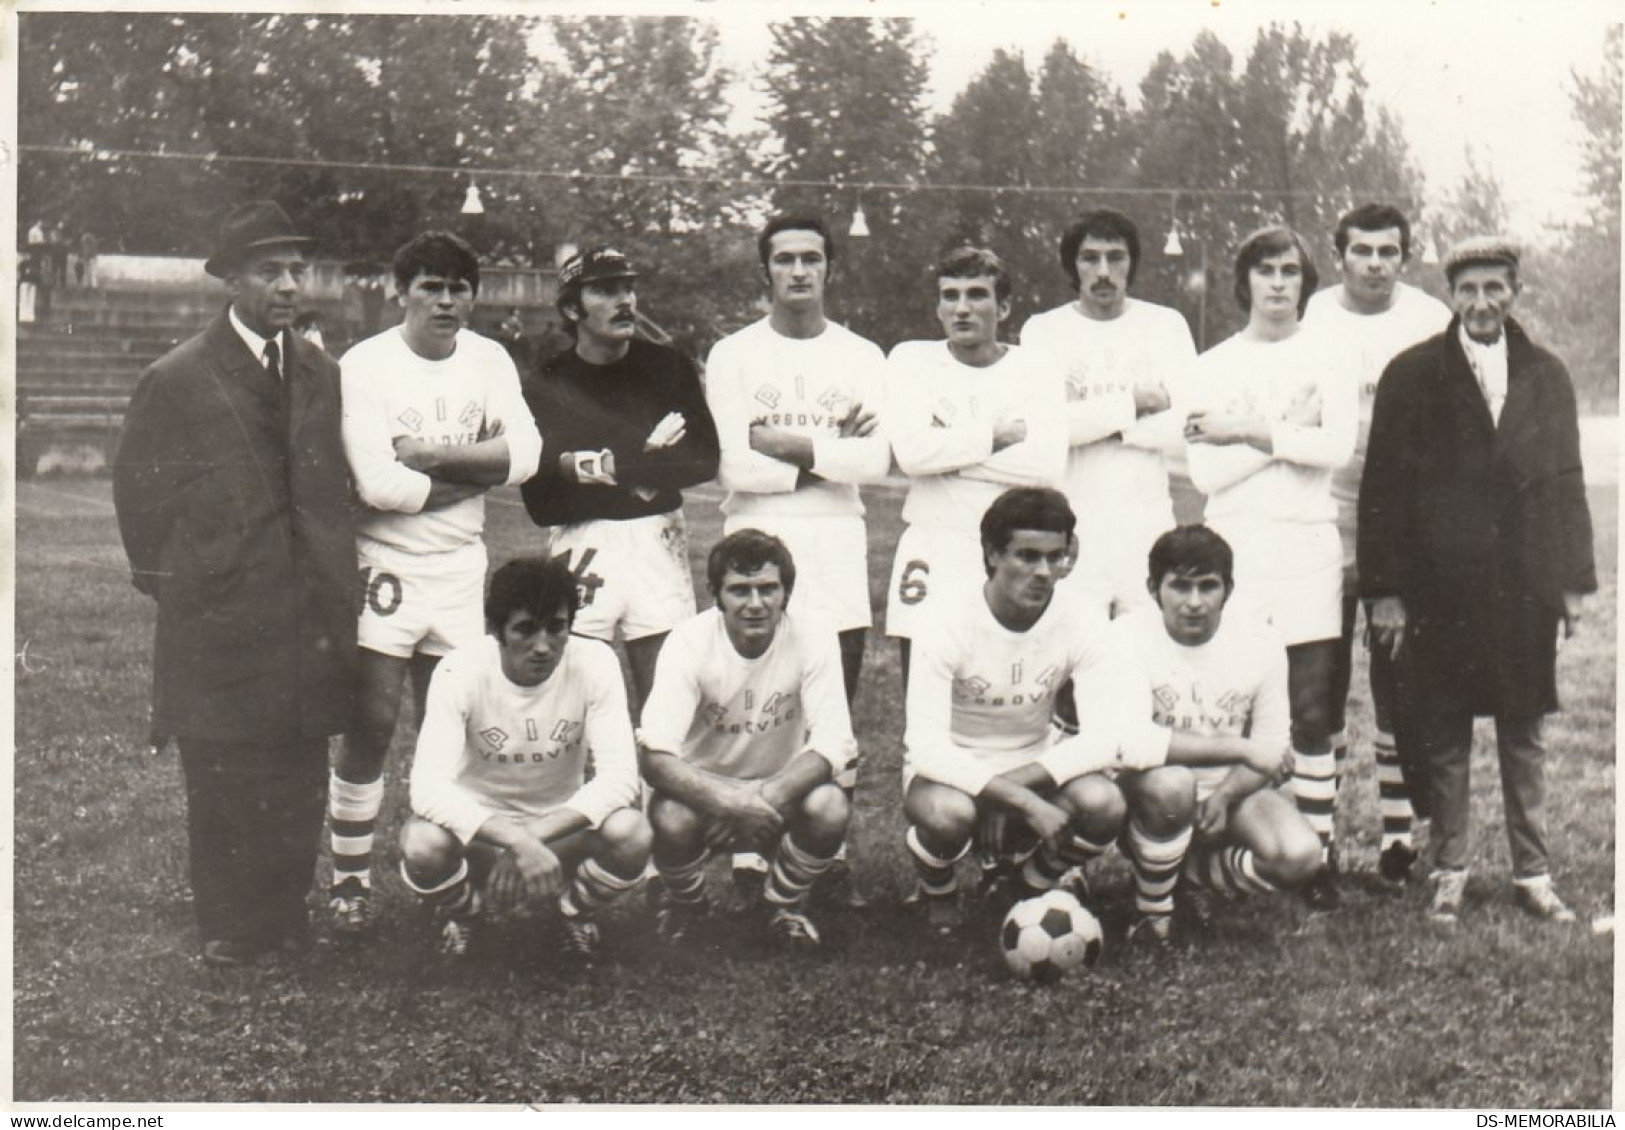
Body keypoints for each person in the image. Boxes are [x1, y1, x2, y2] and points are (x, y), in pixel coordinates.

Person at [113, 200, 357, 967]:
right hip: (217, 609)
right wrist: (185, 580)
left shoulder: (320, 372)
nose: (287, 284)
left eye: (295, 270)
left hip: (306, 606)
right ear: (232, 281)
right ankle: (228, 923)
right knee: (222, 767)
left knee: (295, 766)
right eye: (269, 271)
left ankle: (285, 916)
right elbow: (138, 495)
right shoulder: (178, 377)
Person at [1360, 236, 1595, 927]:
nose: (1481, 303)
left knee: (1523, 732)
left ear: (1514, 291)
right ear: (1450, 294)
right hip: (1439, 590)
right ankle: (1449, 870)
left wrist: (1571, 583)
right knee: (1444, 732)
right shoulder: (1410, 375)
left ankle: (1533, 874)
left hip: (1522, 588)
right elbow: (1383, 491)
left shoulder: (1545, 374)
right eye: (1468, 290)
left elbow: (1564, 483)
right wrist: (1384, 590)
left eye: (1495, 288)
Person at [333, 231, 543, 933]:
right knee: (370, 720)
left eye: (458, 287)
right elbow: (377, 484)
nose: (446, 300)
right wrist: (470, 472)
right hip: (384, 564)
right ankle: (350, 880)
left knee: (451, 729)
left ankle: (456, 888)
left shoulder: (488, 359)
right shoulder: (365, 365)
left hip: (459, 565)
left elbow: (526, 456)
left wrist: (427, 453)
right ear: (402, 292)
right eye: (430, 286)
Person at [704, 213, 891, 900]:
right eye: (784, 259)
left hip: (834, 539)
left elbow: (873, 459)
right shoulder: (733, 355)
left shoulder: (862, 355)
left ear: (829, 268)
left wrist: (780, 443)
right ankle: (752, 854)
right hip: (755, 533)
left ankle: (824, 848)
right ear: (766, 271)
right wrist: (827, 450)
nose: (798, 271)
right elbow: (730, 464)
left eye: (811, 258)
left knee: (829, 700)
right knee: (755, 698)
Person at [901, 488, 1173, 937]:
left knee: (1103, 803)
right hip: (953, 769)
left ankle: (1024, 887)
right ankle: (938, 892)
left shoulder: (1082, 617)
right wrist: (1018, 800)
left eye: (1055, 557)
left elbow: (1106, 738)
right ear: (991, 553)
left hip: (1032, 760)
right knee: (948, 815)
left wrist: (1014, 786)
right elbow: (925, 748)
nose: (1043, 572)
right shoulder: (944, 618)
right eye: (1026, 556)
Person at [1183, 225, 1356, 910]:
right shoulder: (1212, 364)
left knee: (1311, 707)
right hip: (1238, 547)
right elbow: (1207, 469)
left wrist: (1246, 429)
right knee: (1232, 700)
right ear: (1244, 281)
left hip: (1308, 545)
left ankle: (1318, 852)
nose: (1277, 283)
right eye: (1264, 270)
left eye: (1289, 271)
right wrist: (1284, 431)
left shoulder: (1330, 356)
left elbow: (1334, 449)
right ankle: (1212, 835)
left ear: (1305, 284)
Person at [1301, 203, 1453, 888]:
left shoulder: (1427, 318)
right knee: (1323, 685)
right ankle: (1319, 840)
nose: (1373, 263)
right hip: (1324, 513)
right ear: (1340, 257)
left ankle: (1397, 839)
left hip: (1401, 523)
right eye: (1360, 250)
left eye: (1386, 251)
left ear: (1404, 256)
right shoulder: (1313, 317)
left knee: (1398, 683)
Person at [398, 556, 649, 961]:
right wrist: (512, 839)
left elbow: (620, 779)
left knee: (632, 831)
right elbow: (427, 789)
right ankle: (470, 915)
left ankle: (569, 914)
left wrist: (531, 838)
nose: (543, 646)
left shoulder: (596, 662)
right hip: (479, 837)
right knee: (422, 843)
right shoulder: (459, 669)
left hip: (558, 836)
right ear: (497, 630)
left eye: (556, 627)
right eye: (525, 630)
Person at [521, 246, 720, 718]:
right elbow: (542, 500)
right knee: (571, 702)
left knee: (668, 704)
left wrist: (601, 466)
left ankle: (660, 795)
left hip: (657, 537)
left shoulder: (668, 366)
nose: (624, 300)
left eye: (628, 287)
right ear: (573, 308)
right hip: (582, 543)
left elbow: (703, 459)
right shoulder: (547, 382)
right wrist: (647, 461)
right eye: (606, 290)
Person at [640, 530, 857, 948]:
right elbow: (655, 756)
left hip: (779, 790)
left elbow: (835, 742)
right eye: (740, 590)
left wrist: (757, 801)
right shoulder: (688, 642)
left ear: (786, 592)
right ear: (716, 595)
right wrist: (723, 802)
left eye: (768, 589)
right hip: (704, 793)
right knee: (669, 818)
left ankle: (781, 907)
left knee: (830, 805)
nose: (755, 604)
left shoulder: (814, 635)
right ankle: (691, 909)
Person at [1110, 525, 1320, 935]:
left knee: (1300, 856)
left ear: (1229, 589)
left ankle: (1189, 873)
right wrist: (1240, 750)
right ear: (1154, 588)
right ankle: (1153, 913)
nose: (1194, 603)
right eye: (1180, 587)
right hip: (1147, 791)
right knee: (1172, 785)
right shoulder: (1126, 637)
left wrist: (1225, 796)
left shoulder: (1261, 641)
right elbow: (1135, 744)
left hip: (1232, 792)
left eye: (1208, 587)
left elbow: (1272, 748)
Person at [883, 247, 1067, 690]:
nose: (961, 308)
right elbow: (911, 454)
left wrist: (948, 452)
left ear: (1003, 307)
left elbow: (1044, 465)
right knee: (926, 682)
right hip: (933, 539)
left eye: (977, 295)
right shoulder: (912, 359)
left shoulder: (1035, 368)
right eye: (950, 295)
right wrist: (996, 437)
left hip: (1006, 550)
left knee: (1000, 681)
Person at [1020, 208, 1196, 619]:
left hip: (1147, 519)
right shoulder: (1043, 331)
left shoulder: (1166, 325)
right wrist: (1133, 404)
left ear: (1131, 263)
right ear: (1073, 264)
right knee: (1069, 656)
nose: (1103, 270)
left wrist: (1093, 422)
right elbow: (1047, 428)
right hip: (1073, 521)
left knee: (1146, 653)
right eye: (1090, 258)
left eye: (1115, 257)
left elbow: (1182, 426)